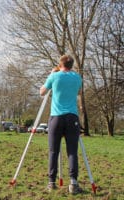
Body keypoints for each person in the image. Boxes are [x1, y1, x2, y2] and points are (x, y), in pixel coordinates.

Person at [40, 55, 83, 194]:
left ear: (60, 64)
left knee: (53, 151)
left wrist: (52, 74)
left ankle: (51, 183)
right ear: (72, 65)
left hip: (56, 118)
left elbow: (42, 92)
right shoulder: (77, 77)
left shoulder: (54, 76)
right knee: (72, 152)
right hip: (72, 117)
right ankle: (73, 184)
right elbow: (78, 92)